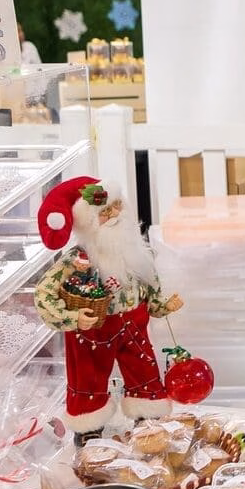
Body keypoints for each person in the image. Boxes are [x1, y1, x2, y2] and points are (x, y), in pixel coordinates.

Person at [34, 177, 183, 443]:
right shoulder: (77, 259)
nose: (113, 214)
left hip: (134, 324)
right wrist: (71, 317)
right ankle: (89, 425)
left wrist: (161, 305)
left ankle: (148, 415)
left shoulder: (134, 250)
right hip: (93, 327)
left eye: (116, 206)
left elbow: (149, 281)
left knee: (144, 368)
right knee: (87, 376)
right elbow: (44, 293)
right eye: (104, 213)